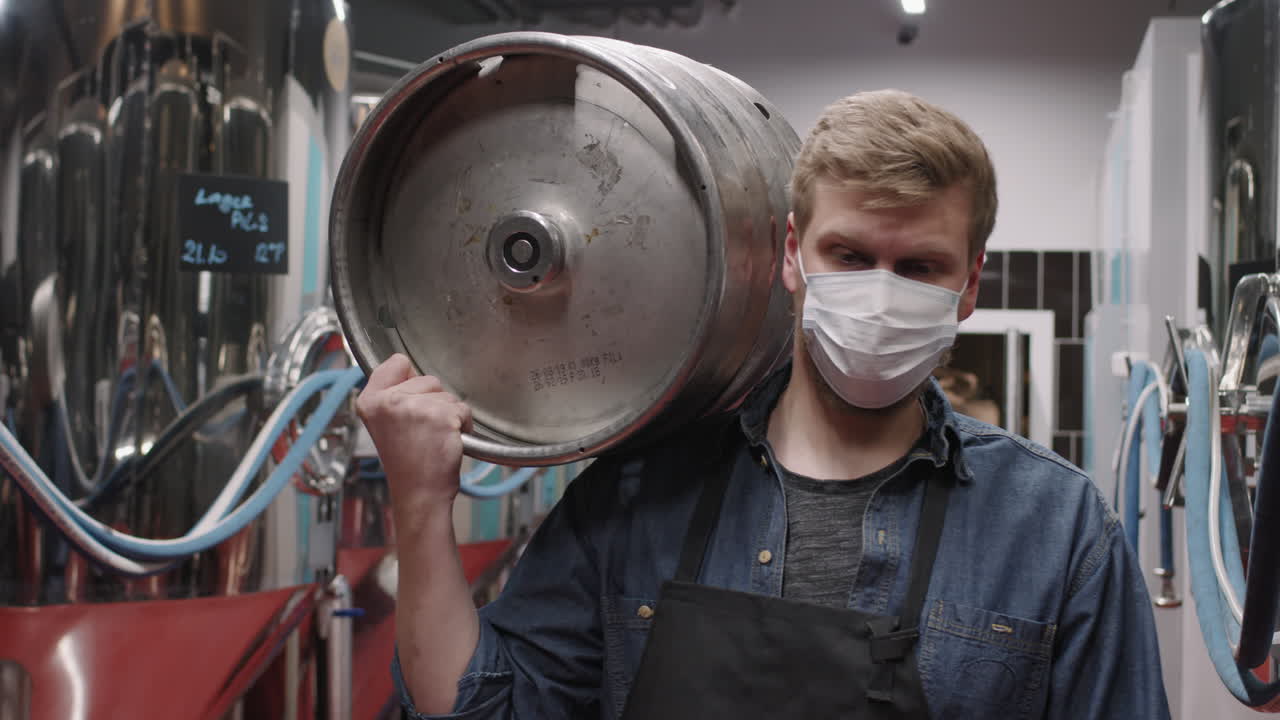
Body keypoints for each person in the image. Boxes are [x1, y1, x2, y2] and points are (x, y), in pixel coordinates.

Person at [357, 89, 1171, 719]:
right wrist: (421, 504)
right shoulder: (641, 494)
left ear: (970, 286)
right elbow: (482, 707)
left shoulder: (1057, 530)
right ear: (792, 255)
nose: (880, 293)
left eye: (919, 267)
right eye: (849, 255)